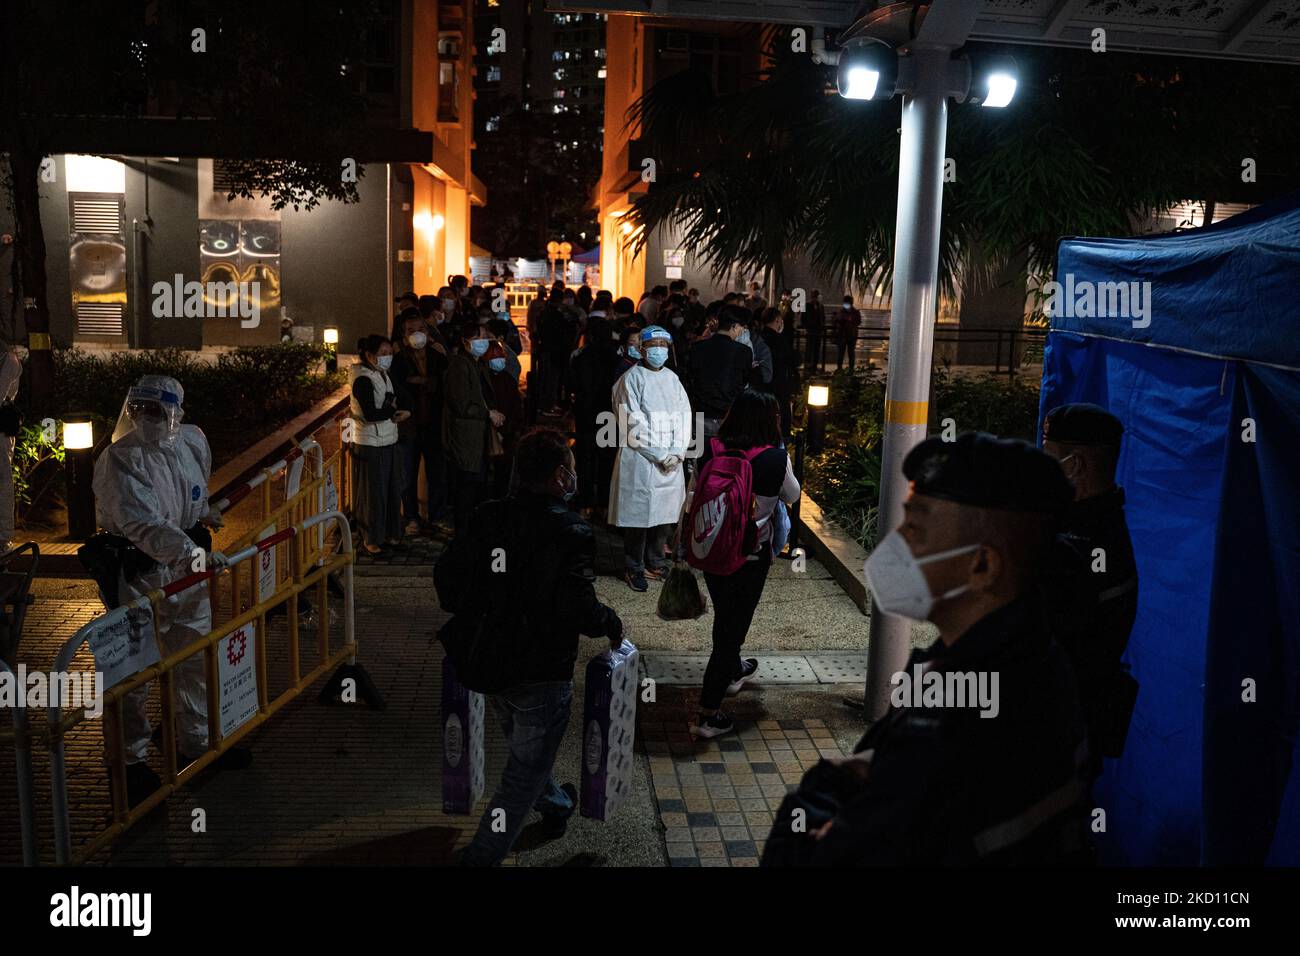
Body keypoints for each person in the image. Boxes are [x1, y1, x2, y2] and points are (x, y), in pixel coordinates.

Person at [763, 432, 1091, 865]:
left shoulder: (961, 723)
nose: (895, 541)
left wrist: (822, 785)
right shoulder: (1019, 653)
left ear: (982, 565)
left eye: (915, 528)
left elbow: (810, 857)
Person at [438, 427, 624, 866]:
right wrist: (610, 622)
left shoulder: (487, 515)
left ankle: (556, 804)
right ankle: (481, 857)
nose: (574, 477)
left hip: (490, 660)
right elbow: (579, 606)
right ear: (560, 475)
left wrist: (485, 607)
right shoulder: (570, 530)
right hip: (541, 669)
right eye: (571, 470)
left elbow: (447, 580)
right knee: (522, 774)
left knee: (528, 754)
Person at [92, 375, 248, 804]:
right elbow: (142, 523)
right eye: (140, 410)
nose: (148, 418)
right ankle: (128, 762)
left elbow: (190, 494)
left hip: (186, 573)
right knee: (133, 670)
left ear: (176, 413)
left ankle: (195, 743)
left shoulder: (190, 443)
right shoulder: (120, 459)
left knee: (194, 657)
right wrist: (191, 554)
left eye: (158, 411)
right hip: (139, 576)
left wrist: (201, 515)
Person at [692, 390, 800, 739]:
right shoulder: (776, 457)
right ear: (771, 421)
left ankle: (734, 668)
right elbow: (792, 495)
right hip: (749, 556)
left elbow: (696, 490)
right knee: (729, 632)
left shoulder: (711, 449)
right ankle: (708, 714)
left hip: (712, 550)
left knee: (726, 616)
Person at [1041, 403, 1139, 777]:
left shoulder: (1083, 548)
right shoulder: (1096, 525)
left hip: (1054, 734)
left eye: (1049, 458)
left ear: (1075, 465)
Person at [609, 325, 692, 591]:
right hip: (641, 458)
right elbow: (632, 424)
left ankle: (656, 561)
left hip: (670, 459)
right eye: (653, 345)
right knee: (638, 517)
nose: (658, 350)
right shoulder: (630, 379)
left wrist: (677, 451)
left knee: (664, 515)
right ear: (641, 349)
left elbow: (684, 417)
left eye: (663, 345)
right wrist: (660, 454)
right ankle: (633, 566)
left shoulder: (672, 379)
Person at [350, 335, 410, 553]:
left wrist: (404, 411)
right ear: (369, 355)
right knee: (374, 494)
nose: (388, 357)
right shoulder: (363, 379)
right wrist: (392, 411)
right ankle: (371, 538)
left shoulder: (383, 374)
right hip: (370, 443)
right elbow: (371, 414)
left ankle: (392, 533)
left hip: (388, 438)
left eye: (390, 353)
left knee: (392, 490)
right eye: (383, 353)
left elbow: (401, 396)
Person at [444, 319, 503, 538]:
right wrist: (488, 414)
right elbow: (461, 405)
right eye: (479, 337)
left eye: (485, 337)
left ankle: (473, 530)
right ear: (466, 341)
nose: (483, 341)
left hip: (477, 435)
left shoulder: (478, 364)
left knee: (477, 484)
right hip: (466, 437)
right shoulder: (460, 365)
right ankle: (464, 532)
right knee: (466, 486)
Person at [391, 312, 449, 534]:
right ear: (404, 336)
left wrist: (423, 381)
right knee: (407, 472)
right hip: (409, 425)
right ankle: (411, 517)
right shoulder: (398, 359)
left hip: (434, 422)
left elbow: (444, 383)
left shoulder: (437, 355)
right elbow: (398, 386)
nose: (416, 334)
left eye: (420, 330)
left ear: (428, 332)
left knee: (437, 472)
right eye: (410, 331)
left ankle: (436, 515)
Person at [565, 315, 620, 511]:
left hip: (586, 412)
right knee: (607, 458)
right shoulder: (616, 356)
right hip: (610, 413)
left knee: (586, 457)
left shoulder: (581, 356)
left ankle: (586, 497)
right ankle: (605, 501)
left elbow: (572, 384)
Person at [686, 305, 753, 447]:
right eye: (741, 327)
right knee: (726, 456)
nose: (742, 331)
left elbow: (691, 379)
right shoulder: (743, 351)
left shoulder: (697, 348)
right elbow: (743, 383)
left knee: (701, 456)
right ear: (734, 326)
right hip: (728, 416)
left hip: (701, 414)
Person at [483, 340, 525, 500]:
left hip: (507, 435)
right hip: (488, 434)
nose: (498, 360)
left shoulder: (507, 379)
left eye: (500, 356)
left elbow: (516, 408)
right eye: (493, 356)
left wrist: (509, 429)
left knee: (503, 474)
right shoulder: (483, 379)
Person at [760, 307, 795, 439]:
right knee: (782, 415)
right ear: (777, 320)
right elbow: (793, 359)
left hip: (762, 384)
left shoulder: (758, 337)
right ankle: (781, 441)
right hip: (779, 383)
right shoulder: (779, 340)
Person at [0, 348, 23, 550]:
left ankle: (3, 539)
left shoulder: (8, 360)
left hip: (2, 433)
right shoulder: (9, 359)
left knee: (3, 482)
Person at [802, 289, 826, 370]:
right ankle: (808, 365)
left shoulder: (820, 306)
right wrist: (806, 327)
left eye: (816, 296)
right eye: (814, 296)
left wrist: (822, 326)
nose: (815, 298)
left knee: (816, 349)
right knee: (809, 348)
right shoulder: (807, 306)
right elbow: (804, 318)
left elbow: (822, 318)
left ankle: (814, 365)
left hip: (818, 331)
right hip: (811, 330)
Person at [835, 294, 859, 370]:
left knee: (851, 353)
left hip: (851, 335)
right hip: (843, 335)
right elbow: (837, 320)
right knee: (841, 353)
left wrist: (849, 321)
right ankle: (840, 368)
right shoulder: (842, 311)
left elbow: (858, 322)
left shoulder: (855, 312)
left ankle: (851, 369)